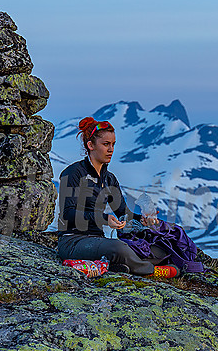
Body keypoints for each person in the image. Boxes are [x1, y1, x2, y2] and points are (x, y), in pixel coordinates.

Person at [57, 118, 179, 278]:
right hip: (73, 241)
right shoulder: (73, 173)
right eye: (106, 144)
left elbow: (123, 213)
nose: (111, 149)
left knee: (158, 247)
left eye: (113, 144)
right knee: (119, 248)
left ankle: (114, 266)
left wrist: (143, 219)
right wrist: (103, 218)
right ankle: (152, 271)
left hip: (98, 241)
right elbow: (68, 214)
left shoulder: (109, 179)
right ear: (91, 145)